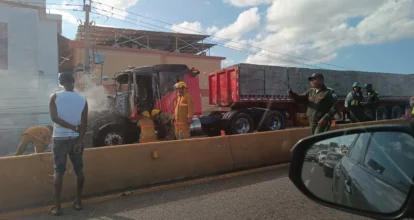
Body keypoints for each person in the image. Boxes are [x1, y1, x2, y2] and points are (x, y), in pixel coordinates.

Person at [48, 72, 88, 216]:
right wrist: (80, 140)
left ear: (61, 82)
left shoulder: (55, 96)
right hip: (76, 139)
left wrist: (71, 127)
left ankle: (57, 207)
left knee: (59, 172)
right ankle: (78, 202)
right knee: (80, 171)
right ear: (73, 81)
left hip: (59, 139)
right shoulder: (82, 99)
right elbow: (84, 123)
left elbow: (54, 118)